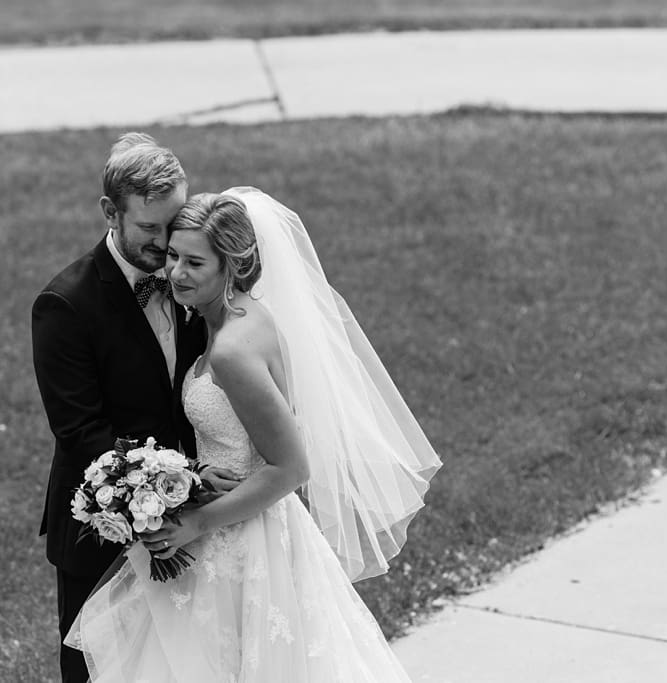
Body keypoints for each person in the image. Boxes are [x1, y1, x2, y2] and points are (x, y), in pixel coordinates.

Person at [66, 188, 442, 681]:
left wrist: (197, 524)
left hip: (241, 536)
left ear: (232, 267)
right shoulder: (242, 316)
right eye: (173, 256)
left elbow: (290, 467)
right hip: (249, 520)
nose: (176, 272)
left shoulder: (232, 352)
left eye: (194, 262)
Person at [31, 133, 232, 683]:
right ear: (109, 212)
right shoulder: (65, 304)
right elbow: (81, 430)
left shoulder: (193, 279)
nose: (167, 245)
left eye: (174, 224)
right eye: (150, 229)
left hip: (192, 528)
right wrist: (182, 479)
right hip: (103, 527)